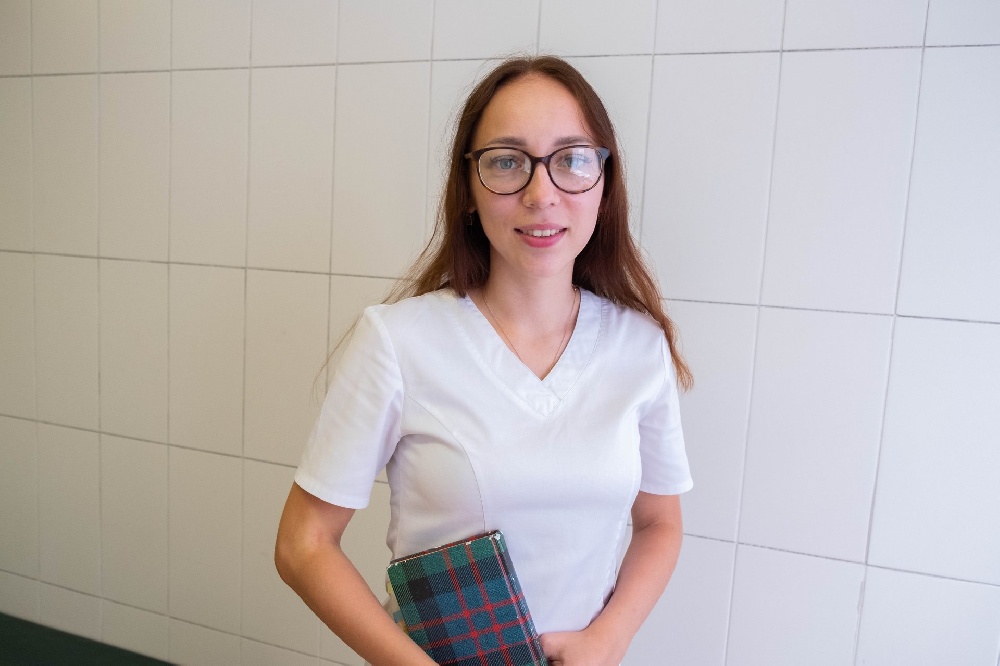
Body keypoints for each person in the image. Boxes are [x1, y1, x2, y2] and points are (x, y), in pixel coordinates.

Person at [275, 55, 694, 666]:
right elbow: (303, 543)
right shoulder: (398, 341)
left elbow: (660, 523)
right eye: (506, 161)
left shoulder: (639, 346)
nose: (541, 194)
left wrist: (609, 639)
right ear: (468, 189)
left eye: (572, 159)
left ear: (604, 186)